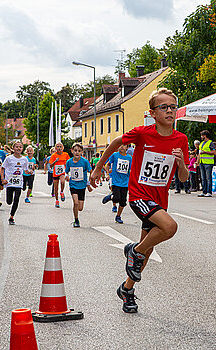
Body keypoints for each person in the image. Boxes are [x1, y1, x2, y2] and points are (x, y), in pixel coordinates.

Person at [90, 88, 189, 313]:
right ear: (153, 113)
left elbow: (182, 177)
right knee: (170, 227)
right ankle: (134, 250)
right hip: (139, 195)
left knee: (149, 250)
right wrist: (97, 168)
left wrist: (181, 163)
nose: (170, 111)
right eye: (164, 107)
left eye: (173, 106)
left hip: (160, 199)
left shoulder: (181, 139)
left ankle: (127, 289)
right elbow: (115, 142)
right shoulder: (143, 133)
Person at [0, 141, 31, 225]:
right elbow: (2, 168)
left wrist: (29, 172)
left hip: (19, 182)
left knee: (17, 199)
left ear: (22, 149)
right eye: (16, 147)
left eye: (20, 147)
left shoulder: (24, 159)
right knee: (9, 201)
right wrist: (3, 179)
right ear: (13, 148)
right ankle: (10, 207)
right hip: (9, 182)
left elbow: (25, 170)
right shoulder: (9, 158)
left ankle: (11, 217)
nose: (18, 148)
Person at [102, 144, 132, 224]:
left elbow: (131, 169)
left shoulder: (129, 158)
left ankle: (118, 216)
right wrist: (107, 173)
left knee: (123, 202)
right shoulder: (114, 155)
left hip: (125, 182)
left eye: (124, 145)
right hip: (115, 181)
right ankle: (111, 197)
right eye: (120, 145)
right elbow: (108, 164)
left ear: (127, 147)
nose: (121, 146)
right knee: (117, 198)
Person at [65, 143, 92, 228]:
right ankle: (76, 220)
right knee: (75, 203)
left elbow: (90, 172)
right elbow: (66, 171)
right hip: (73, 185)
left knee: (80, 208)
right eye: (75, 150)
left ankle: (77, 215)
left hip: (82, 186)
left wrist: (89, 184)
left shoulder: (85, 162)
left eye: (79, 151)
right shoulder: (69, 162)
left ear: (82, 152)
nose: (77, 152)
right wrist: (66, 176)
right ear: (72, 151)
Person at [49, 142, 70, 208]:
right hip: (55, 173)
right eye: (57, 147)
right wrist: (55, 161)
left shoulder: (65, 154)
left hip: (62, 172)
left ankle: (61, 192)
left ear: (63, 148)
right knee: (55, 188)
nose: (59, 148)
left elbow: (69, 163)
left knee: (63, 181)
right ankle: (57, 200)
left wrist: (67, 169)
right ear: (55, 148)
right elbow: (51, 165)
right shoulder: (53, 155)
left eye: (60, 146)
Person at [197, 130, 216, 197]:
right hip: (202, 162)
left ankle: (209, 192)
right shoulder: (201, 143)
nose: (201, 137)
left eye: (202, 135)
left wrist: (205, 152)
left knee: (208, 178)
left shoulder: (210, 143)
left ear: (205, 136)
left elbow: (214, 152)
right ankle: (204, 191)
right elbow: (199, 153)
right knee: (203, 178)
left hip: (208, 163)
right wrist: (197, 161)